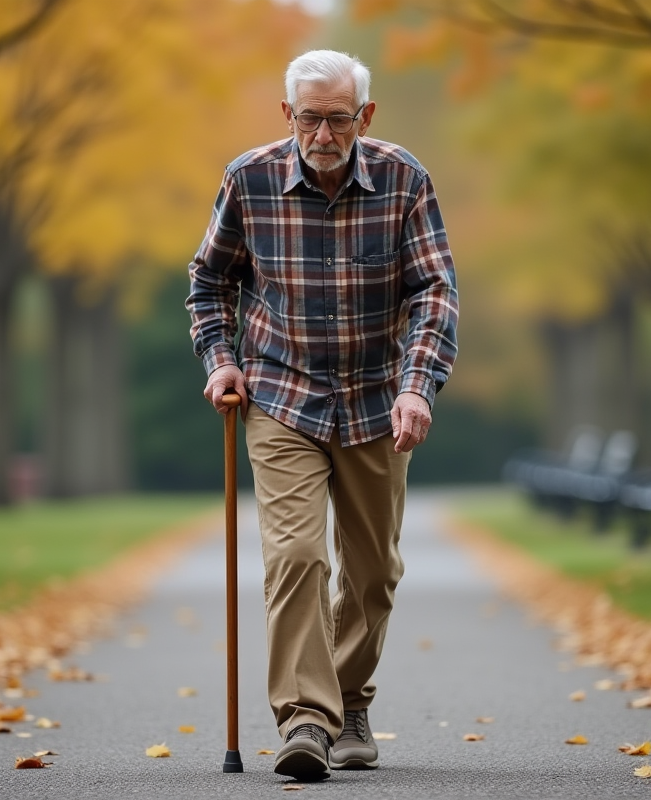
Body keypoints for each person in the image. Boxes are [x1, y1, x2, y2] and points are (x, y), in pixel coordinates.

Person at [186, 49, 459, 781]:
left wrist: (417, 386)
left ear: (365, 116)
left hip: (378, 398)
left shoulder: (404, 179)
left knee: (373, 573)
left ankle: (348, 698)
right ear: (288, 114)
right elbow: (209, 281)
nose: (324, 134)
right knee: (297, 557)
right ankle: (305, 718)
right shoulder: (249, 180)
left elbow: (434, 290)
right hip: (282, 396)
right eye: (310, 119)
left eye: (339, 119)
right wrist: (220, 360)